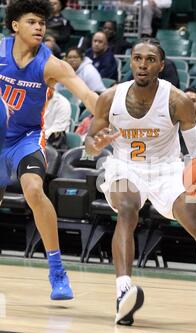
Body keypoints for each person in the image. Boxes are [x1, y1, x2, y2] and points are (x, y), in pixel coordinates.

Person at [85, 38, 196, 326]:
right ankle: (123, 292)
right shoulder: (110, 98)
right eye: (137, 58)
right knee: (126, 208)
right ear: (130, 62)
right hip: (123, 167)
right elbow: (89, 146)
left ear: (161, 65)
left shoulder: (178, 100)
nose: (143, 64)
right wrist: (96, 145)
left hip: (169, 170)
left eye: (150, 60)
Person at [0, 0, 98, 301]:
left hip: (26, 139)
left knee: (33, 189)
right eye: (32, 21)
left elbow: (88, 95)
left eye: (42, 22)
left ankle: (57, 270)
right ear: (15, 25)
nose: (39, 27)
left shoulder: (52, 64)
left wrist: (113, 117)